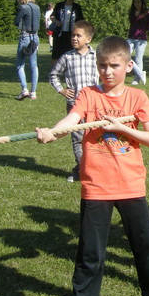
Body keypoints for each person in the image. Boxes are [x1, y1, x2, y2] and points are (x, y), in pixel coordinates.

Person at [35, 36, 149, 296]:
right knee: (91, 253)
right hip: (96, 186)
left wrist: (122, 128)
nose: (108, 71)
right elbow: (72, 120)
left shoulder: (137, 97)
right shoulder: (88, 95)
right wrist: (53, 132)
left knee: (145, 246)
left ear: (128, 66)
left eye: (114, 65)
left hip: (130, 184)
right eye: (102, 65)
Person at [48, 20, 99, 183]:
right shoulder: (67, 57)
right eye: (73, 35)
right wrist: (61, 90)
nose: (74, 38)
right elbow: (53, 75)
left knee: (93, 138)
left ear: (88, 39)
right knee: (77, 138)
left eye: (78, 35)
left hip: (94, 106)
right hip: (74, 105)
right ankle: (84, 171)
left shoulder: (97, 57)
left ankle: (82, 169)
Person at [15, 0, 41, 101]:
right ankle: (33, 92)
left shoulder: (23, 7)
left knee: (20, 64)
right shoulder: (37, 7)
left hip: (25, 37)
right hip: (35, 37)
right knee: (34, 65)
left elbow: (16, 21)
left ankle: (24, 89)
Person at [51, 0, 85, 68]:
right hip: (59, 33)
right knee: (56, 53)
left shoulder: (77, 7)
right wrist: (56, 22)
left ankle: (69, 69)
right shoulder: (59, 6)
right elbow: (52, 16)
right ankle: (54, 70)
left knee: (70, 52)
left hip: (71, 33)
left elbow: (81, 19)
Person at [128, 0, 149, 85]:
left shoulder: (147, 13)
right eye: (135, 2)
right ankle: (141, 73)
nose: (137, 4)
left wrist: (142, 31)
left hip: (141, 39)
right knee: (126, 56)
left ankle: (137, 79)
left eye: (138, 2)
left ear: (142, 3)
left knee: (138, 59)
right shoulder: (132, 12)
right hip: (131, 38)